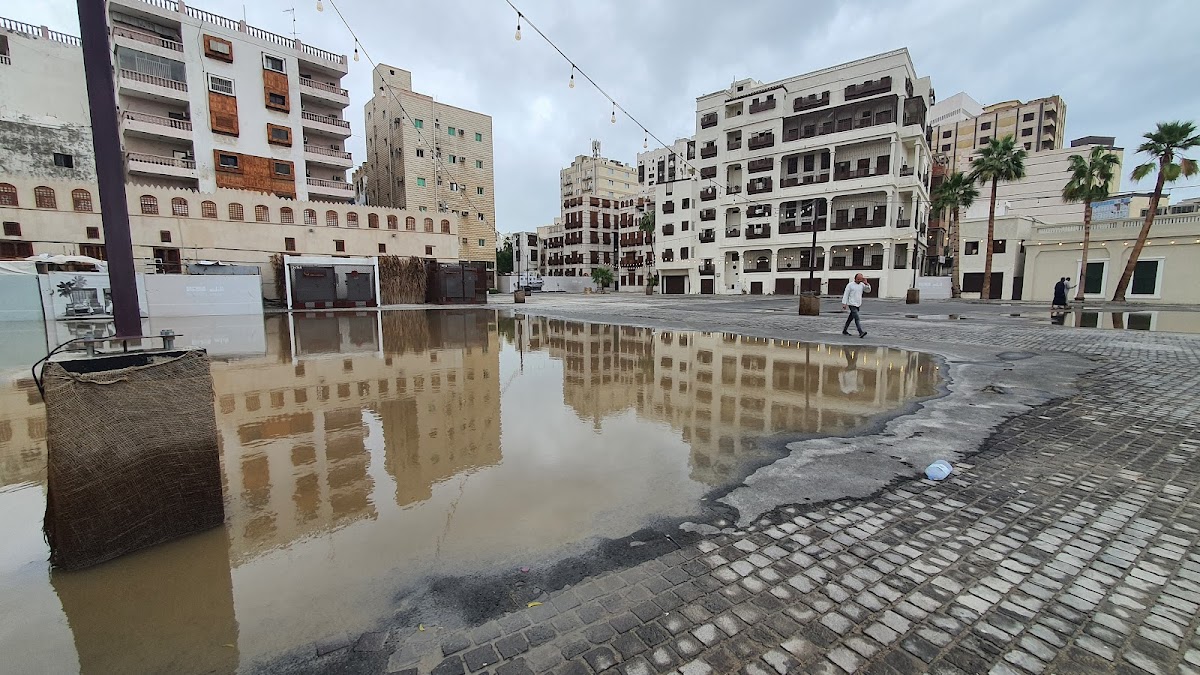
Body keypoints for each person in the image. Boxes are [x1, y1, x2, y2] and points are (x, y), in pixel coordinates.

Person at [841, 273, 872, 338]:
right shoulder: (850, 285)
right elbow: (846, 294)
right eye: (858, 279)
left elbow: (868, 290)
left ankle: (844, 330)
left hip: (858, 304)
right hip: (852, 304)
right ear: (855, 278)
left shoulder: (862, 285)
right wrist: (844, 303)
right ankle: (860, 332)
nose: (859, 280)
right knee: (857, 318)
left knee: (850, 319)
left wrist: (866, 284)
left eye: (860, 279)